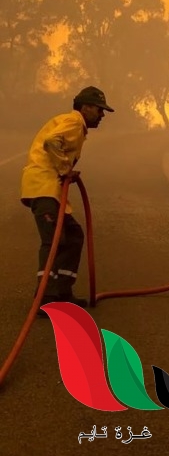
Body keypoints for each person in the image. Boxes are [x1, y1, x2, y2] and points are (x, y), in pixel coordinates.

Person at [20, 86, 115, 312]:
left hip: (49, 189)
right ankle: (45, 296)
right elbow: (51, 142)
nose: (102, 115)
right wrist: (65, 169)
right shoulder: (74, 122)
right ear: (85, 107)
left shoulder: (75, 125)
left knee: (73, 236)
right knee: (54, 240)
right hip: (43, 187)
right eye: (99, 110)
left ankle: (62, 292)